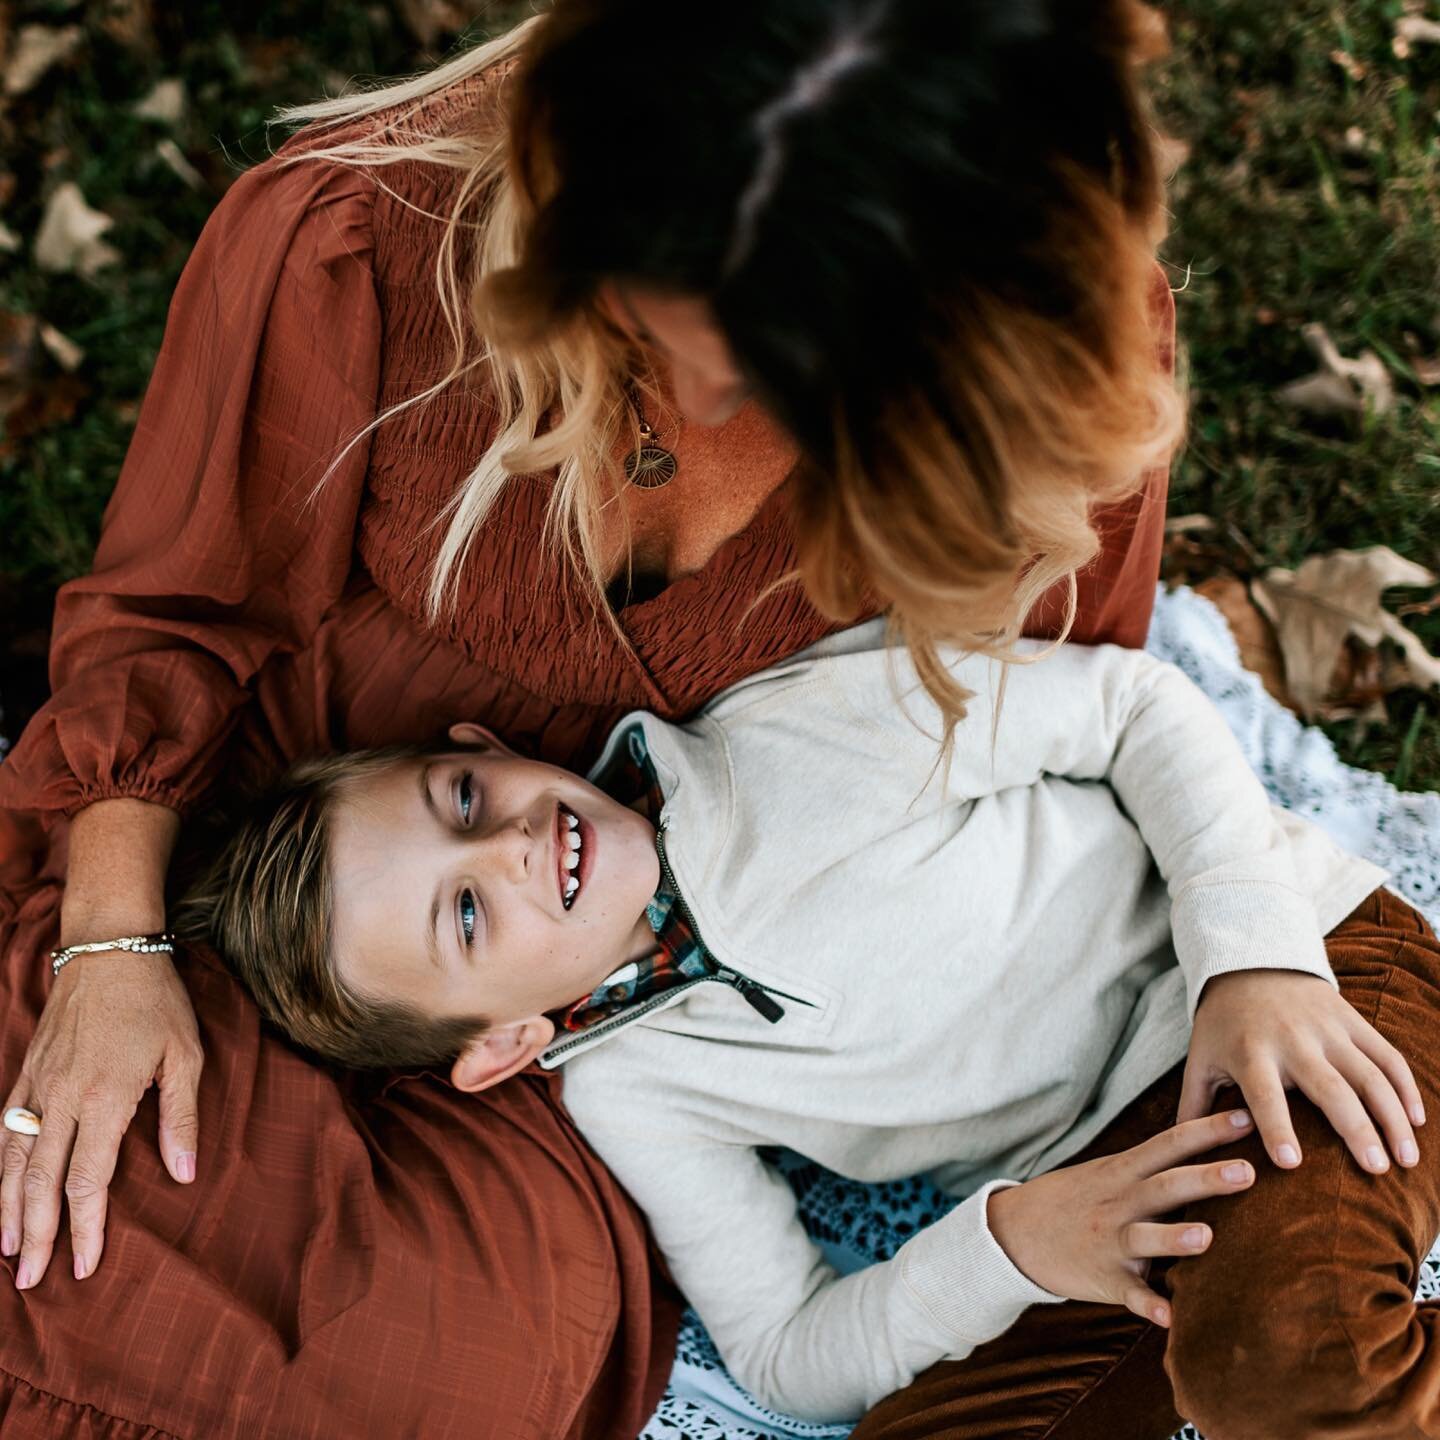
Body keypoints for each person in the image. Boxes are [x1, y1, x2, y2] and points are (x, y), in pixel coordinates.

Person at [0, 1, 1182, 1434]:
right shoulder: (363, 232)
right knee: (58, 1197)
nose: (700, 399)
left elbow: (1065, 715)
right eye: (656, 309)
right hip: (263, 821)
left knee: (452, 1367)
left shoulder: (1032, 354)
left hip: (613, 1019)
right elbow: (174, 619)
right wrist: (111, 945)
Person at [174, 620, 1440, 1439]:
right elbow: (786, 1355)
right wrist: (1009, 1244)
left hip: (1299, 986)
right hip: (1100, 1192)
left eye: (460, 799)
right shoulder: (635, 1094)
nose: (505, 846)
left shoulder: (792, 737)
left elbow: (1134, 708)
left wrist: (1250, 958)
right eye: (464, 916)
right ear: (500, 1045)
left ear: (482, 746)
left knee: (1279, 1355)